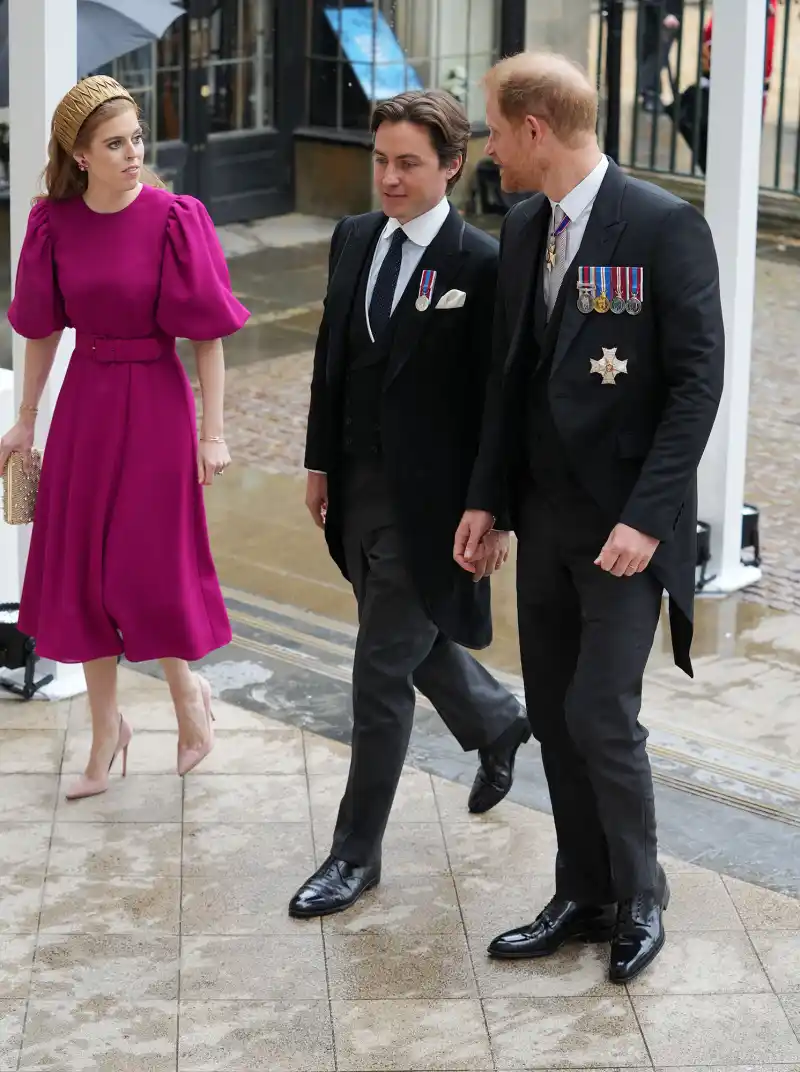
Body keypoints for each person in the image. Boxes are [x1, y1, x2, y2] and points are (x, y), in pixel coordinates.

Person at [455, 52, 724, 982]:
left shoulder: (663, 227)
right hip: (546, 520)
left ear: (534, 130)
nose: (487, 151)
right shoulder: (526, 224)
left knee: (603, 715)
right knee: (555, 715)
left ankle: (642, 895)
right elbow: (511, 379)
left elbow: (696, 386)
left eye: (492, 130)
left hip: (623, 531)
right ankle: (585, 891)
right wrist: (487, 499)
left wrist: (650, 520)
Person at [291, 89, 529, 919]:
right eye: (380, 161)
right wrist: (320, 460)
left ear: (453, 167)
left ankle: (355, 855)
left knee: (380, 669)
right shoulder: (353, 237)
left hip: (431, 507)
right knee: (408, 641)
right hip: (355, 487)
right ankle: (497, 721)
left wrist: (495, 511)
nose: (388, 179)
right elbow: (331, 359)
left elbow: (503, 401)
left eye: (408, 164)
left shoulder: (482, 264)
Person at [0, 76, 249, 800]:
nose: (134, 152)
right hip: (87, 403)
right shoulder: (51, 224)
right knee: (82, 569)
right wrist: (26, 417)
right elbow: (42, 329)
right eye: (115, 143)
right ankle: (107, 732)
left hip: (158, 406)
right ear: (80, 155)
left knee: (146, 567)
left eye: (138, 138)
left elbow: (208, 339)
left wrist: (214, 435)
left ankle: (185, 700)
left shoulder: (176, 218)